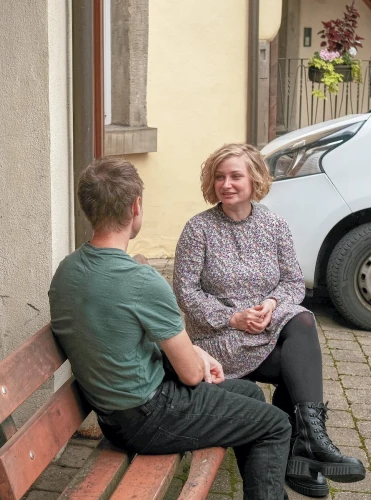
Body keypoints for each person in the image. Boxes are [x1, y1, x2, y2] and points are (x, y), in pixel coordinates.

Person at [49, 157, 292, 500]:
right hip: (151, 417)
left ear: (87, 209)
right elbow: (192, 376)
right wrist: (196, 358)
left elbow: (119, 335)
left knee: (250, 394)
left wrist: (197, 351)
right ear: (136, 207)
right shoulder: (141, 281)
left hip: (114, 414)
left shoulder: (67, 270)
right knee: (275, 425)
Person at [172, 143, 366, 498]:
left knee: (301, 324)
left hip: (265, 330)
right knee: (299, 364)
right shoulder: (198, 229)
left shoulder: (273, 224)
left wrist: (271, 304)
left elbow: (293, 282)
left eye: (235, 176)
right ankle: (302, 453)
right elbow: (186, 294)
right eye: (219, 177)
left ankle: (307, 440)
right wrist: (234, 317)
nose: (226, 184)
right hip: (220, 342)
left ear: (254, 179)